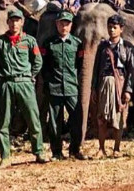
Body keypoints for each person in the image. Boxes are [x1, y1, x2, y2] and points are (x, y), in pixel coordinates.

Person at [0, 8, 49, 169]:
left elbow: (38, 61)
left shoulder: (29, 41)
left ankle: (38, 152)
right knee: (3, 121)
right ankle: (5, 157)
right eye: (12, 20)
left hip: (25, 83)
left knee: (33, 118)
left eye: (17, 20)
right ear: (7, 22)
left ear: (22, 22)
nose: (14, 23)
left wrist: (30, 75)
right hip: (6, 83)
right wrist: (1, 74)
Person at [41, 11, 86, 160]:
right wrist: (49, 82)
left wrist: (73, 80)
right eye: (61, 23)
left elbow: (79, 66)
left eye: (67, 23)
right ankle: (56, 152)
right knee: (54, 123)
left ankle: (75, 150)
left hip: (71, 87)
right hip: (54, 88)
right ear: (56, 24)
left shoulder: (77, 44)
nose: (64, 26)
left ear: (71, 25)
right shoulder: (48, 44)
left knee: (76, 119)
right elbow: (44, 66)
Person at [92, 14, 134, 158]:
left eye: (115, 27)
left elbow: (131, 70)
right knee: (102, 117)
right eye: (109, 27)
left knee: (120, 116)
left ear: (121, 29)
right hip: (104, 83)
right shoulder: (102, 47)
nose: (112, 30)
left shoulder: (128, 47)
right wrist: (94, 88)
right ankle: (101, 149)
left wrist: (128, 90)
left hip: (120, 84)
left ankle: (117, 148)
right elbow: (96, 68)